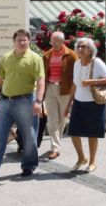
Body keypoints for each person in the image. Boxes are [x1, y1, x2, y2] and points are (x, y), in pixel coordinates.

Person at [0, 29, 45, 183]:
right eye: (19, 40)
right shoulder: (6, 57)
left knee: (29, 137)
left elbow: (41, 80)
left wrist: (38, 102)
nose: (22, 42)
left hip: (26, 101)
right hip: (4, 102)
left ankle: (29, 165)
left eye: (25, 40)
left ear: (29, 41)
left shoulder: (35, 58)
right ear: (13, 42)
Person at [64, 38, 106, 173]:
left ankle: (92, 161)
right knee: (73, 132)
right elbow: (74, 85)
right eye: (78, 46)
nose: (79, 49)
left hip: (94, 103)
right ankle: (81, 158)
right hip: (78, 102)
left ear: (90, 50)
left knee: (92, 133)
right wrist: (68, 106)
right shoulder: (77, 64)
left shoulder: (97, 62)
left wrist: (90, 81)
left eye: (83, 46)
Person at [41, 31, 78, 160]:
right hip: (50, 88)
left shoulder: (71, 55)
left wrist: (75, 91)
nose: (54, 44)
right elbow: (42, 74)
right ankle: (55, 148)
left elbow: (77, 73)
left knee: (62, 118)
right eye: (52, 41)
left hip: (65, 89)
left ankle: (57, 142)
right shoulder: (47, 55)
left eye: (57, 41)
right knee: (52, 120)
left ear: (62, 41)